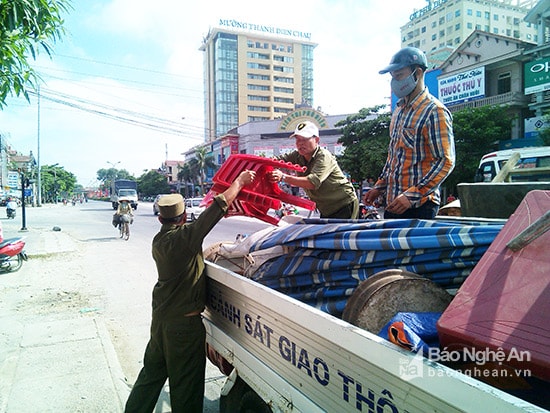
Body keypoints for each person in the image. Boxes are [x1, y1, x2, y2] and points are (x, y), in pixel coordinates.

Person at [124, 169, 256, 413]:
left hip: (161, 322)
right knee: (185, 387)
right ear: (184, 217)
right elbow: (215, 209)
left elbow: (209, 216)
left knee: (151, 375)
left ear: (160, 219)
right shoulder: (184, 239)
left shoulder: (159, 241)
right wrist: (239, 181)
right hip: (183, 330)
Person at [365, 47, 455, 219]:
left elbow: (445, 161)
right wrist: (379, 187)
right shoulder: (399, 110)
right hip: (393, 203)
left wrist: (412, 195)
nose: (394, 82)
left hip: (419, 206)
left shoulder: (435, 111)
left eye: (399, 75)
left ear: (418, 72)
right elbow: (394, 157)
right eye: (392, 77)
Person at [268, 120, 359, 219]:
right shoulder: (297, 155)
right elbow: (277, 161)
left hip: (343, 204)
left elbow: (312, 182)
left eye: (305, 139)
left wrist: (283, 177)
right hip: (325, 208)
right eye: (298, 140)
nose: (300, 143)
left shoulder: (324, 156)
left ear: (316, 140)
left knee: (340, 234)